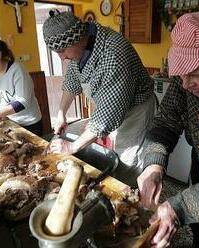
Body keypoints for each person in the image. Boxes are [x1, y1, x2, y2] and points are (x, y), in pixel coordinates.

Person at [137, 12, 199, 248]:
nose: (185, 84)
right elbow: (166, 121)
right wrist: (153, 165)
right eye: (181, 72)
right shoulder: (186, 82)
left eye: (197, 75)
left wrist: (180, 207)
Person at [42, 10, 156, 182]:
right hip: (113, 111)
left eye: (63, 50)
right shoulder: (80, 49)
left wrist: (73, 146)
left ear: (78, 37)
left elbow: (107, 117)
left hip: (135, 114)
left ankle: (133, 199)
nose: (62, 57)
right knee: (116, 153)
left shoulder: (114, 55)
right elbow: (72, 81)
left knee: (129, 163)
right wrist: (61, 113)